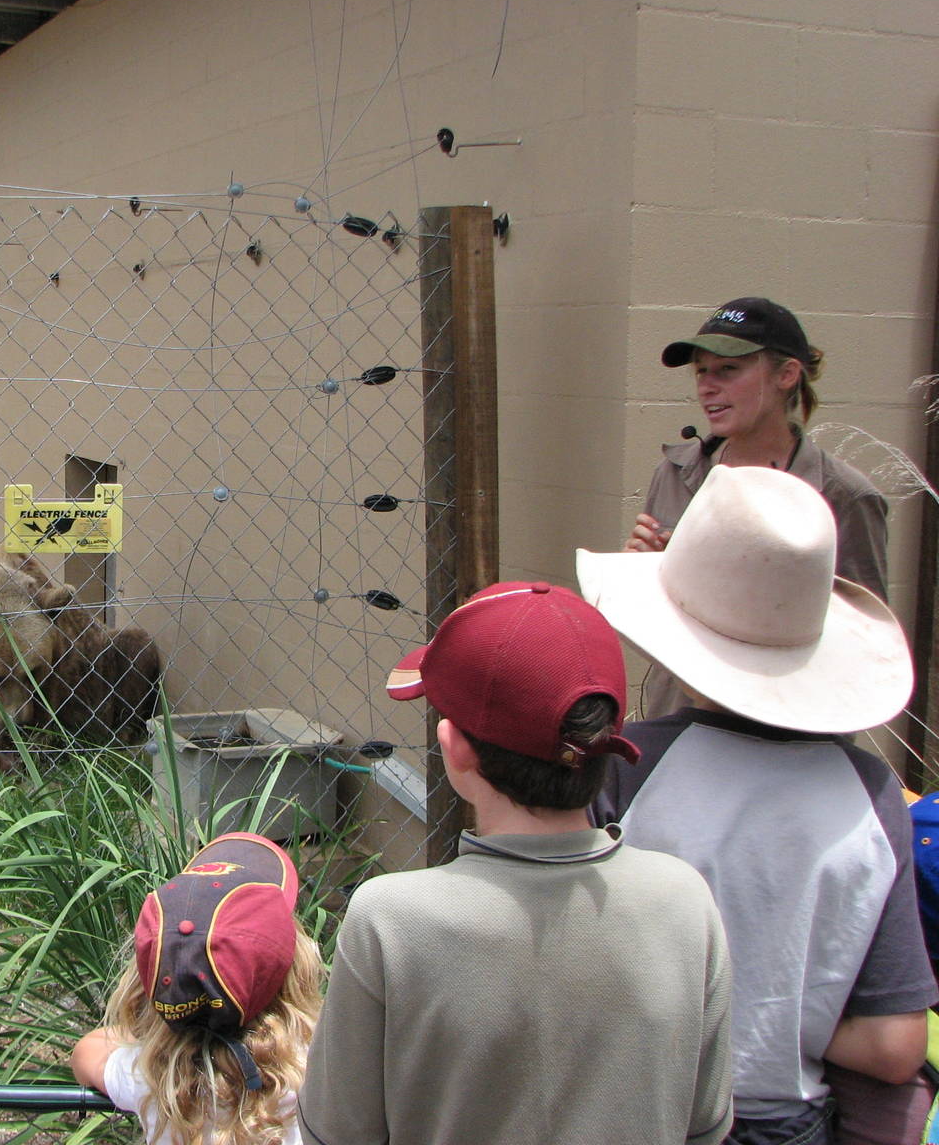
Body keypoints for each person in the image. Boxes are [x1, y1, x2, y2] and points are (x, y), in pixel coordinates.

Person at [297, 581, 734, 1145]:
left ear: (455, 750)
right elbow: (706, 1124)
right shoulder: (683, 901)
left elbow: (337, 1133)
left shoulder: (390, 920)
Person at [580, 465, 935, 1145]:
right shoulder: (871, 791)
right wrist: (785, 1006)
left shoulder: (625, 766)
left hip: (641, 1106)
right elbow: (895, 1046)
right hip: (787, 1120)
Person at [624, 296, 888, 718]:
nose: (708, 386)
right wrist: (640, 580)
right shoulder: (676, 473)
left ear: (787, 374)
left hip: (788, 737)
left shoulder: (843, 495)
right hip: (678, 728)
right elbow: (645, 636)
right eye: (701, 371)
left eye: (729, 369)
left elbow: (866, 649)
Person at [71, 831, 324, 1145]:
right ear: (294, 968)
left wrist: (168, 1026)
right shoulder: (320, 1068)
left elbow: (87, 1052)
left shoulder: (154, 1076)